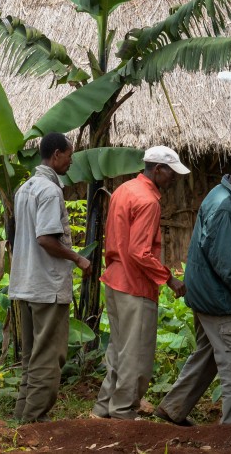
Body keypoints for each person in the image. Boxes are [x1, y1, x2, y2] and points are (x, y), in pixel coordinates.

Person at [154, 148, 231, 425]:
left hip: (203, 294)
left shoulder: (219, 195)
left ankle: (173, 409)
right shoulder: (225, 207)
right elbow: (226, 264)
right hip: (216, 299)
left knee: (207, 355)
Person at [91, 146, 190, 420]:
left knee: (119, 349)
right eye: (171, 173)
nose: (174, 179)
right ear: (158, 170)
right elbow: (140, 252)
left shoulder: (124, 189)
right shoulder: (148, 201)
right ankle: (123, 412)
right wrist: (169, 279)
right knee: (136, 354)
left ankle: (103, 409)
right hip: (135, 285)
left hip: (114, 279)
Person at [10, 132, 92, 423]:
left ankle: (22, 416)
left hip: (25, 284)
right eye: (69, 155)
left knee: (33, 356)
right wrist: (77, 258)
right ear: (56, 154)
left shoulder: (24, 189)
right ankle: (33, 420)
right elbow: (45, 238)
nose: (71, 161)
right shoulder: (49, 190)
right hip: (46, 287)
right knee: (49, 356)